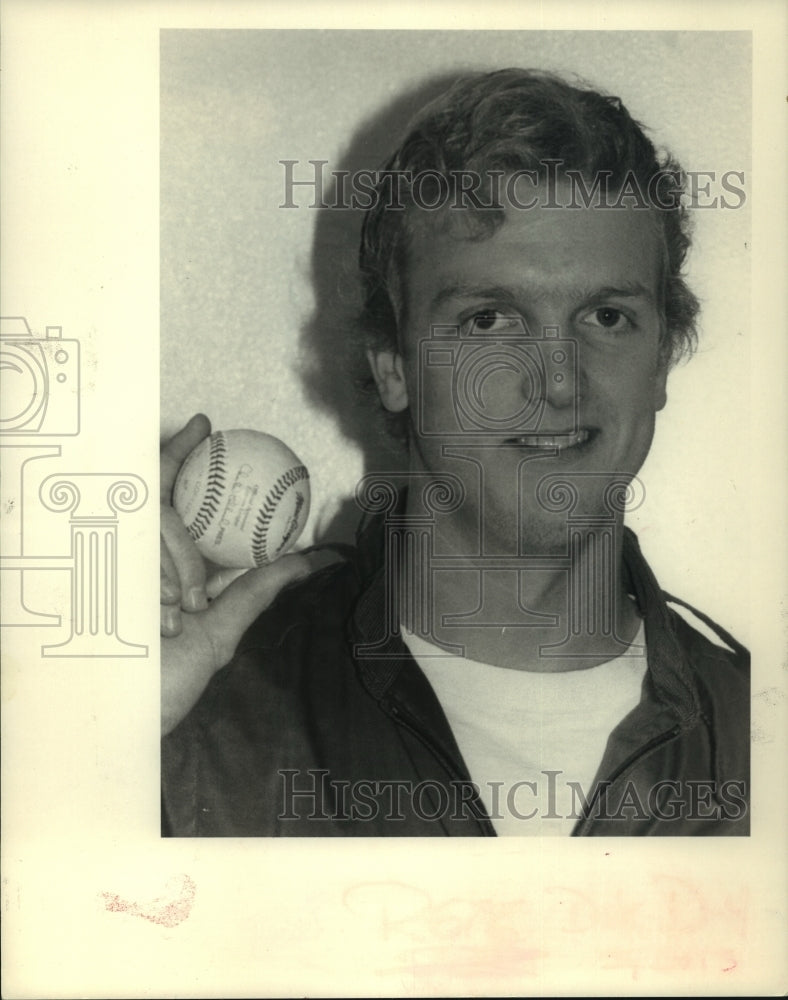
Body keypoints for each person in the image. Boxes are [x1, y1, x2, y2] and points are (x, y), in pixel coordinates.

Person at [160, 69, 749, 836]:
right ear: (392, 365)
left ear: (662, 358)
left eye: (606, 316)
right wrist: (84, 743)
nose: (559, 382)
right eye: (489, 321)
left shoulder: (756, 735)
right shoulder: (207, 717)